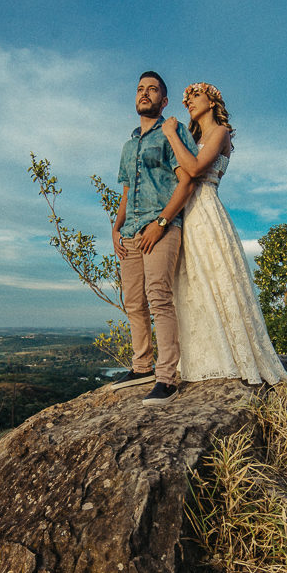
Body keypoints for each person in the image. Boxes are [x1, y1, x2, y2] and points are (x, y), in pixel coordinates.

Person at [161, 83, 287, 385]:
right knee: (191, 284)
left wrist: (170, 134)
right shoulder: (191, 137)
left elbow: (193, 169)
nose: (187, 102)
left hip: (206, 211)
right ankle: (197, 356)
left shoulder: (220, 133)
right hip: (184, 213)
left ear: (212, 100)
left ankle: (232, 354)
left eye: (194, 96)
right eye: (185, 99)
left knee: (218, 280)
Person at [110, 72, 198, 405]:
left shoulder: (171, 134)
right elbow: (126, 192)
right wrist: (115, 228)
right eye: (140, 89)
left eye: (153, 90)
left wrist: (161, 222)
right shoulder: (128, 145)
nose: (144, 94)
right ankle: (141, 366)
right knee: (133, 303)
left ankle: (166, 379)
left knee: (159, 297)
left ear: (163, 101)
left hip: (160, 228)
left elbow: (187, 182)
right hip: (130, 232)